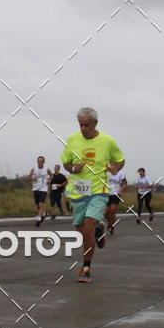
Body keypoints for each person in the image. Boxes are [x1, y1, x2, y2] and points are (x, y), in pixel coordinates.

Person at [61, 107, 124, 282]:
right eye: (81, 125)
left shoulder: (107, 141)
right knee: (83, 231)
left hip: (99, 190)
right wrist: (73, 168)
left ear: (95, 123)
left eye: (87, 125)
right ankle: (99, 229)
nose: (83, 128)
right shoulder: (72, 140)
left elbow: (120, 159)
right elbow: (66, 163)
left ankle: (86, 267)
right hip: (78, 192)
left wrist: (115, 168)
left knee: (87, 227)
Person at [28, 156, 51, 227]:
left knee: (41, 204)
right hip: (35, 188)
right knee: (37, 204)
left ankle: (39, 219)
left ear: (44, 162)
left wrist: (49, 180)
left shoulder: (47, 169)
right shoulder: (34, 169)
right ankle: (44, 213)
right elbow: (28, 177)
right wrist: (32, 178)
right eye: (39, 161)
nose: (40, 162)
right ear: (37, 162)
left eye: (41, 161)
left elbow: (52, 176)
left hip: (43, 188)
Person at [105, 166, 127, 235]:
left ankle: (112, 227)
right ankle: (110, 223)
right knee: (105, 213)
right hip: (106, 194)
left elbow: (125, 183)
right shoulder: (105, 172)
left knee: (112, 210)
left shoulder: (120, 173)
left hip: (116, 194)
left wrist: (120, 190)